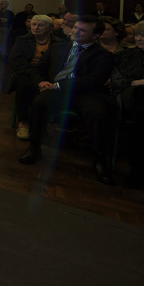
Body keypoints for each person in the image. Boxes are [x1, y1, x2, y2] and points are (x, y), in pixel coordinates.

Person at [19, 16, 117, 185]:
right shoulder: (58, 48)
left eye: (82, 30)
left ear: (95, 35)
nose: (75, 32)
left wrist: (57, 85)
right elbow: (38, 69)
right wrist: (41, 81)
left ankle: (100, 159)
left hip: (85, 93)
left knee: (97, 113)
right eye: (75, 28)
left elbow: (93, 81)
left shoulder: (103, 55)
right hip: (54, 91)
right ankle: (34, 147)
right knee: (39, 104)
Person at [4, 14, 55, 141]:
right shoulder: (22, 39)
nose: (36, 27)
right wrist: (35, 74)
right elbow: (15, 60)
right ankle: (24, 122)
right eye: (34, 24)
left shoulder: (57, 42)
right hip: (24, 71)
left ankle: (43, 123)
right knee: (25, 85)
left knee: (50, 87)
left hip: (47, 74)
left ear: (49, 28)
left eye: (40, 25)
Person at [110, 20, 144, 188]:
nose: (139, 39)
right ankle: (138, 171)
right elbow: (118, 81)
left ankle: (138, 171)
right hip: (129, 99)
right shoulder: (125, 55)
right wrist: (140, 82)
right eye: (138, 34)